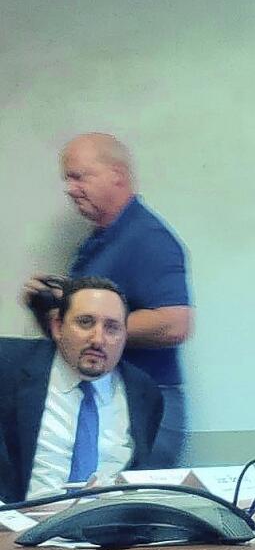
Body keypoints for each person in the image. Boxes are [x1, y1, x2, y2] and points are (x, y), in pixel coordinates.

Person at [23, 133, 192, 466]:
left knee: (133, 510)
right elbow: (71, 337)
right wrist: (50, 310)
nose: (70, 189)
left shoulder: (148, 238)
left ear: (117, 175)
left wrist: (94, 323)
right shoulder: (99, 242)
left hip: (146, 406)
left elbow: (176, 323)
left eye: (78, 177)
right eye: (66, 180)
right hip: (101, 401)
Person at [1, 277, 164, 503]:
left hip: (105, 530)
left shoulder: (144, 393)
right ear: (58, 326)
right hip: (18, 529)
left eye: (112, 328)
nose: (98, 339)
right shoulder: (8, 366)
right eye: (85, 322)